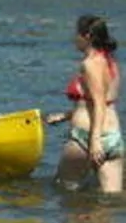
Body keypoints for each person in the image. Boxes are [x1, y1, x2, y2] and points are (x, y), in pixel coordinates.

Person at [47, 14, 122, 192]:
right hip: (113, 136)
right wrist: (65, 116)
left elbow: (98, 103)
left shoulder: (90, 64)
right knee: (111, 203)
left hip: (87, 138)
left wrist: (94, 141)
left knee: (64, 191)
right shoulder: (111, 62)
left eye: (77, 34)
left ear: (87, 36)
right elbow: (101, 102)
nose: (74, 39)